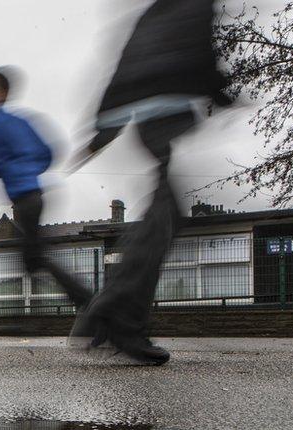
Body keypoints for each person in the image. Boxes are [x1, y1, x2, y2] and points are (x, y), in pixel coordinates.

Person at [69, 0, 232, 364]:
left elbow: (122, 64)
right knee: (166, 212)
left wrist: (100, 130)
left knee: (166, 210)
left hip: (138, 112)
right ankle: (115, 311)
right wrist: (222, 93)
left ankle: (114, 310)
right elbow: (200, 52)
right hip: (164, 107)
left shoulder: (153, 11)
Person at [0, 69, 92, 310]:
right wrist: (28, 168)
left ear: (1, 93)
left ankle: (87, 300)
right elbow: (49, 152)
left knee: (35, 257)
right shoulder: (22, 122)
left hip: (24, 199)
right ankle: (25, 318)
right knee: (29, 258)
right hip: (35, 197)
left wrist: (10, 169)